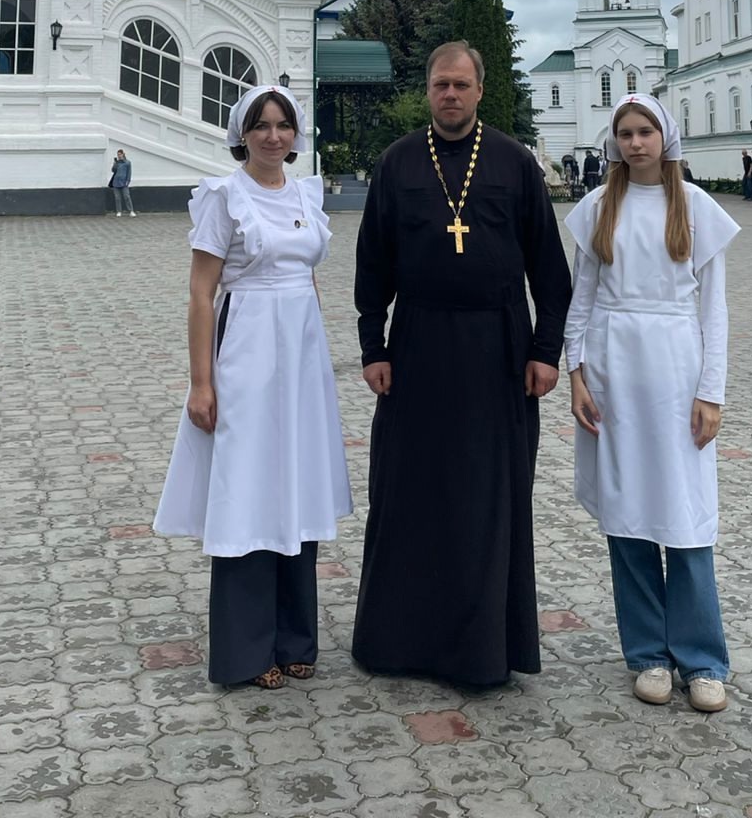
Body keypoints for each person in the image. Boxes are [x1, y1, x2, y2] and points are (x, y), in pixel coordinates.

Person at [352, 40, 572, 687]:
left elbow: (550, 270)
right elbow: (372, 262)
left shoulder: (514, 162)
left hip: (498, 349)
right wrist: (372, 346)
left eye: (461, 84)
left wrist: (545, 351)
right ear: (428, 91)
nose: (450, 94)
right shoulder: (397, 162)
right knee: (409, 491)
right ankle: (400, 642)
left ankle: (481, 651)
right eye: (440, 85)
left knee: (487, 497)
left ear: (480, 89)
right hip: (417, 345)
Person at [153, 85, 351, 688]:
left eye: (282, 125)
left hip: (301, 361)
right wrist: (201, 382)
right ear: (243, 133)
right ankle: (247, 649)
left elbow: (306, 278)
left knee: (296, 484)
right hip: (246, 353)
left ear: (295, 134)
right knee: (249, 487)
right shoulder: (225, 197)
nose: (272, 136)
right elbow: (200, 294)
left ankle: (296, 638)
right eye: (261, 126)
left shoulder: (306, 193)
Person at [565, 94, 740, 713]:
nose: (635, 142)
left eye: (645, 132)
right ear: (614, 140)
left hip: (675, 367)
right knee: (629, 511)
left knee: (684, 514)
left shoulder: (694, 206)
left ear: (665, 138)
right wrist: (576, 373)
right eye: (625, 133)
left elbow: (713, 310)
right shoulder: (598, 207)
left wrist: (711, 392)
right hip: (614, 369)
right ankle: (646, 653)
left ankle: (702, 658)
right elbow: (582, 297)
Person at [111, 149, 135, 216]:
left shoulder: (127, 162)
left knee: (126, 196)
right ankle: (119, 211)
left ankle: (131, 211)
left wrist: (128, 180)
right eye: (118, 155)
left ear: (123, 154)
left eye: (120, 154)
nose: (119, 156)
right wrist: (114, 164)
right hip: (116, 182)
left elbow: (129, 172)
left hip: (124, 182)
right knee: (117, 198)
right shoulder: (117, 163)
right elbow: (113, 170)